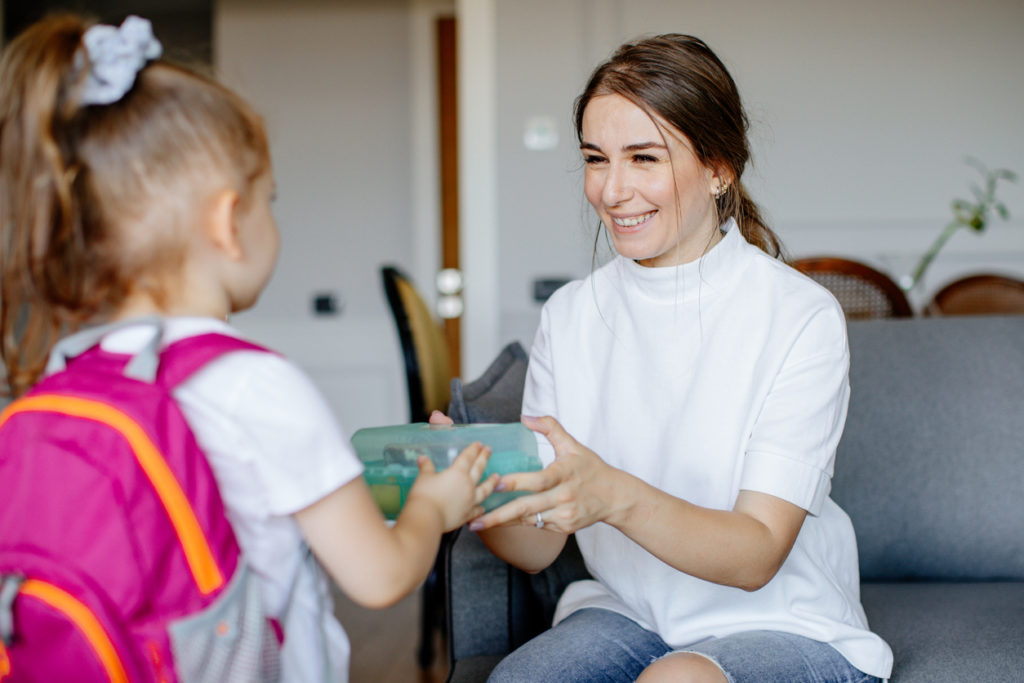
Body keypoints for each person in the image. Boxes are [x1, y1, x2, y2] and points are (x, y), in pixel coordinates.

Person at [0, 14, 496, 682]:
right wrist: (436, 504)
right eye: (270, 199)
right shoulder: (251, 383)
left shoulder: (70, 369)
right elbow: (379, 576)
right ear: (228, 222)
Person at [457, 34, 894, 682]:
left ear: (719, 168)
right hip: (625, 611)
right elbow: (538, 544)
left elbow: (756, 555)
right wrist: (480, 495)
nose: (612, 189)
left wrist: (612, 493)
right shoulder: (570, 316)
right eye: (596, 158)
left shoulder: (800, 315)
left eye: (644, 157)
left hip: (780, 618)